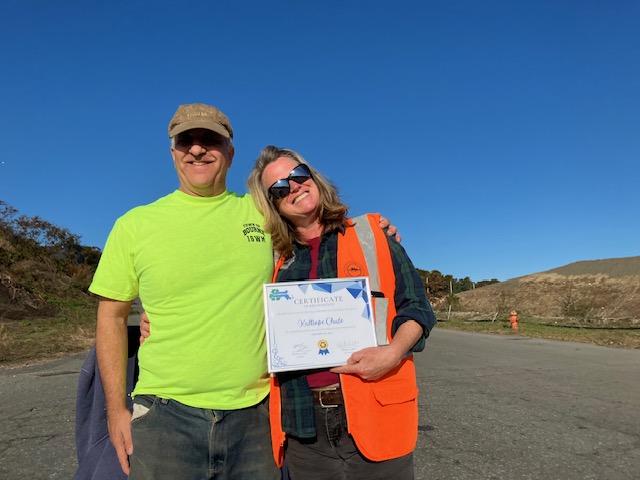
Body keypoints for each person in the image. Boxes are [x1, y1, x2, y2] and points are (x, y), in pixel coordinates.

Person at [89, 103, 399, 480]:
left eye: (210, 140)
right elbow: (112, 314)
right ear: (173, 152)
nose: (198, 149)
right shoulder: (134, 225)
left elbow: (318, 227)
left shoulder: (263, 215)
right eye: (186, 140)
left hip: (256, 415)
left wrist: (373, 229)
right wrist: (115, 410)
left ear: (230, 153)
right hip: (164, 415)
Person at [246, 145, 437, 480]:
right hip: (304, 428)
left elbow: (418, 307)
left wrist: (393, 352)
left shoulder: (372, 235)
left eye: (298, 175)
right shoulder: (272, 260)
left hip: (375, 414)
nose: (293, 187)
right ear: (273, 204)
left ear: (313, 177)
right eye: (279, 188)